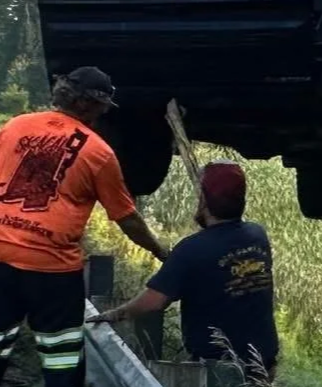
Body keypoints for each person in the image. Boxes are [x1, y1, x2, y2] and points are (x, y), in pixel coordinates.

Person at [0, 66, 169, 387]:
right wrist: (160, 251)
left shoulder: (14, 127)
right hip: (52, 274)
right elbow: (126, 218)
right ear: (93, 106)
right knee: (62, 359)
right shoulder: (98, 153)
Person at [87, 159, 279, 383]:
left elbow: (154, 301)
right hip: (263, 360)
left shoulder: (191, 249)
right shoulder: (257, 235)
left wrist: (115, 313)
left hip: (217, 367)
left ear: (205, 201)